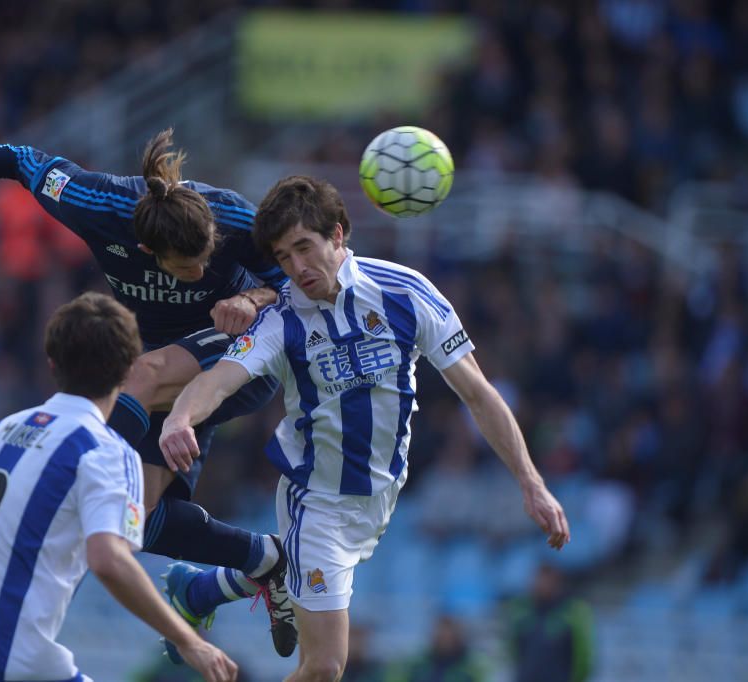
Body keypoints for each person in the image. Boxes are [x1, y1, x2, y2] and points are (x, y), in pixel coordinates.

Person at [0, 130, 297, 656]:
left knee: (138, 375)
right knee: (137, 521)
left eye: (206, 261)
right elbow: (18, 160)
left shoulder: (234, 220)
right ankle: (265, 560)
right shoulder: (99, 203)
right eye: (187, 269)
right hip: (160, 381)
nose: (202, 274)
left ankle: (57, 471)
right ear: (145, 250)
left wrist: (251, 296)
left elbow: (295, 284)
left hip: (239, 357)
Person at [159, 175, 571, 680]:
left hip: (379, 498)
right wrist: (180, 417)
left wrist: (532, 484)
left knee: (296, 576)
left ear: (338, 234)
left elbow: (479, 394)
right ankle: (218, 586)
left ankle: (200, 589)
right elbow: (220, 379)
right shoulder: (281, 318)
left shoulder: (405, 293)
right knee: (326, 666)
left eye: (304, 248)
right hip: (316, 498)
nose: (296, 268)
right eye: (284, 257)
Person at [0, 291, 237, 682]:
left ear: (52, 364)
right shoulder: (105, 450)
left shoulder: (5, 428)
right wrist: (190, 641)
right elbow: (108, 559)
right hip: (12, 660)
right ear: (127, 372)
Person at [505, 563, 593, 682]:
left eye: (545, 580)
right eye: (537, 579)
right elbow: (513, 652)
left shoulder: (572, 613)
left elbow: (584, 660)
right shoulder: (521, 612)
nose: (539, 584)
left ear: (557, 583)